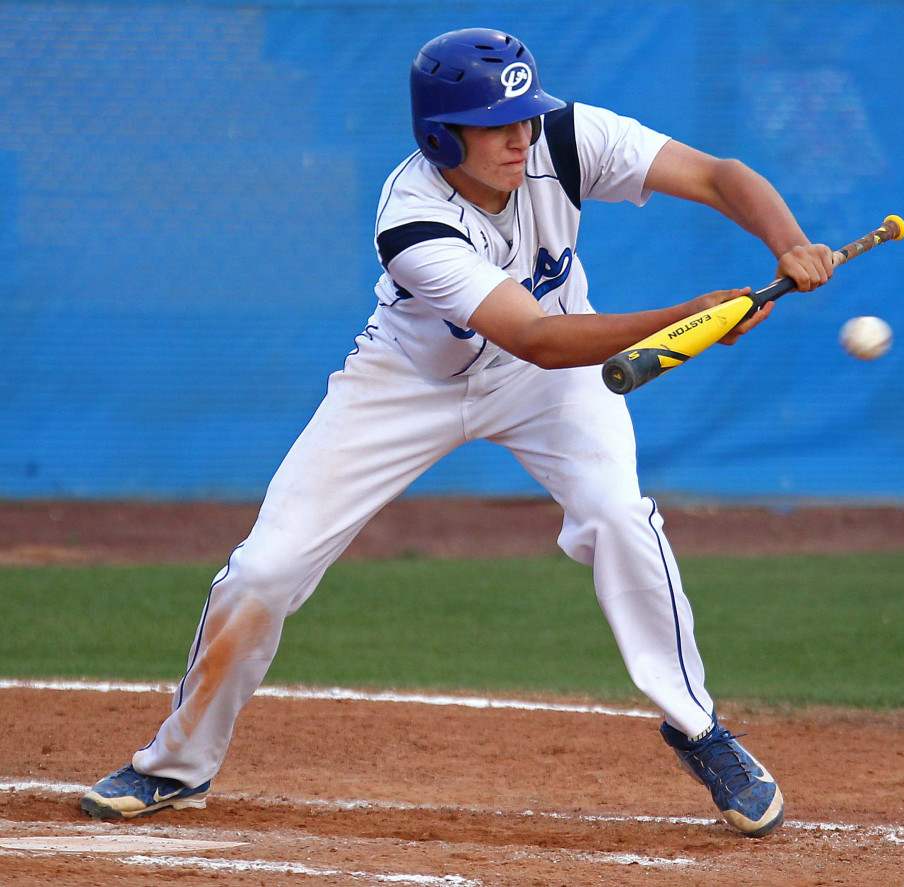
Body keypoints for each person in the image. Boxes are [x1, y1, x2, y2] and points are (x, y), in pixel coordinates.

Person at [81, 27, 833, 837]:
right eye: (493, 122)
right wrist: (689, 316)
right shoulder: (412, 220)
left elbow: (719, 176)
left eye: (524, 115)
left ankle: (700, 729)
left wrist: (787, 242)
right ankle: (175, 764)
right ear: (442, 134)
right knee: (263, 570)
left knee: (620, 517)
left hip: (553, 384)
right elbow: (534, 335)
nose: (520, 136)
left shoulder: (567, 137)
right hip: (410, 383)